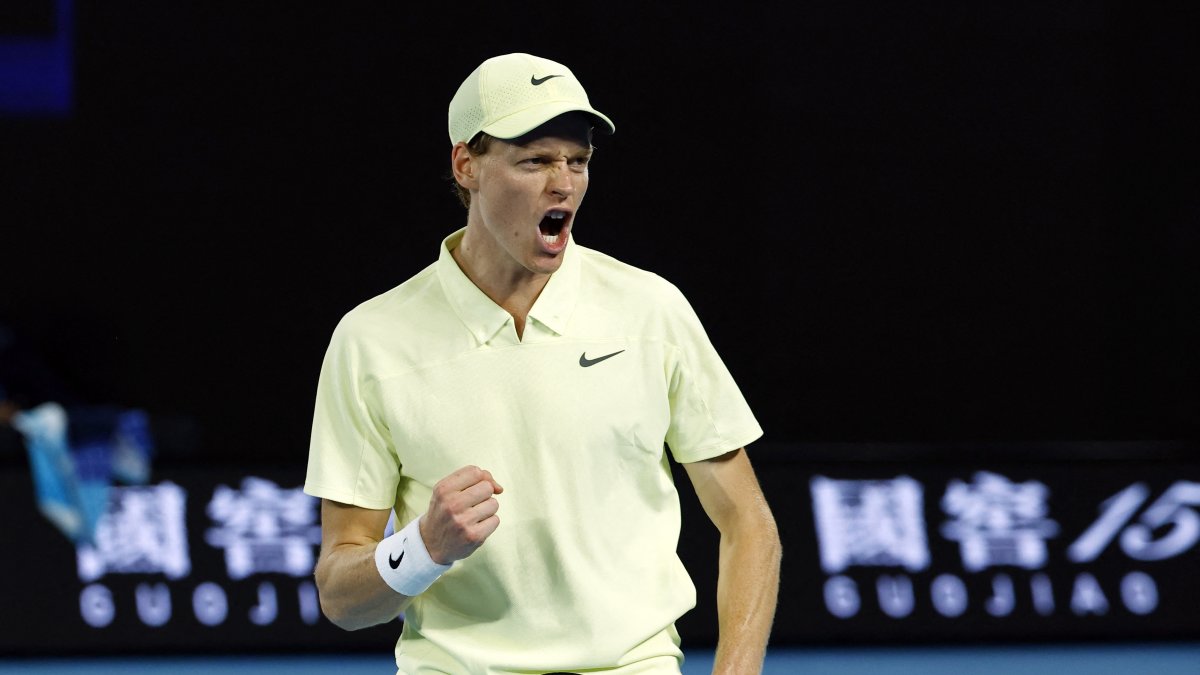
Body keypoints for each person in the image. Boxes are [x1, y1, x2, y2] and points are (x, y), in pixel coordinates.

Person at [304, 52, 781, 674]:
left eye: (577, 161)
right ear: (466, 164)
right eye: (535, 161)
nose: (564, 183)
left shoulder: (652, 311)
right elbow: (342, 597)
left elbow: (749, 523)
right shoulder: (370, 340)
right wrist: (422, 547)